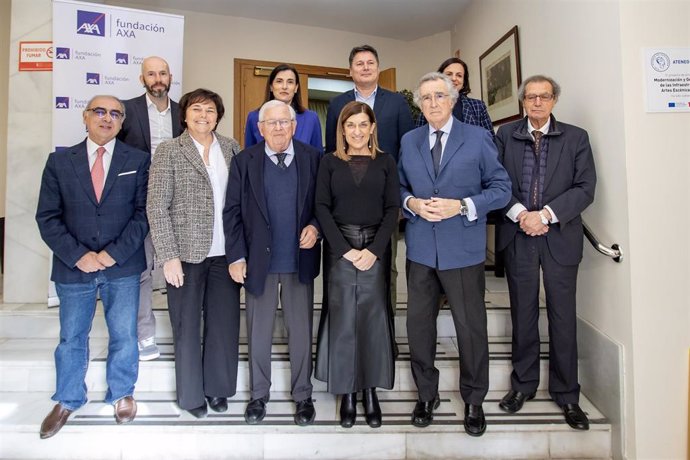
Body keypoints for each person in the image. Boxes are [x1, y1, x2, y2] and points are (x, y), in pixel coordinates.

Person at [398, 73, 511, 437]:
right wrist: (411, 202)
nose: (432, 103)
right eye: (426, 98)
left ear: (453, 100)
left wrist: (462, 205)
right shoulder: (409, 139)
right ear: (420, 104)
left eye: (439, 96)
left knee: (471, 327)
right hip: (419, 250)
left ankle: (474, 399)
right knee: (418, 326)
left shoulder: (478, 138)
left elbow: (501, 188)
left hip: (462, 251)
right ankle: (426, 394)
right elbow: (398, 186)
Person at [36, 95, 149, 438]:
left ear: (121, 122)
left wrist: (113, 253)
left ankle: (122, 393)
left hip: (122, 266)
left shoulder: (139, 160)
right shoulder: (59, 161)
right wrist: (79, 255)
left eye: (115, 113)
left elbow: (143, 214)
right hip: (75, 268)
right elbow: (48, 217)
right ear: (85, 117)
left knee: (124, 335)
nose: (107, 118)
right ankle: (68, 398)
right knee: (72, 337)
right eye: (99, 112)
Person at [495, 75, 596, 431]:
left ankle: (567, 395)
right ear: (522, 101)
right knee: (523, 315)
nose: (537, 102)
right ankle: (522, 387)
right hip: (518, 235)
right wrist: (522, 214)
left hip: (560, 236)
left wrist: (546, 215)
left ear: (554, 100)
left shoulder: (576, 137)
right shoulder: (505, 135)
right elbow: (495, 182)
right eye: (531, 97)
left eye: (544, 96)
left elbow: (585, 187)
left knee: (562, 317)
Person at [224, 100, 321, 427]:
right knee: (259, 332)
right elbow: (232, 212)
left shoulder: (312, 158)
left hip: (299, 260)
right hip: (257, 263)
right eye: (272, 123)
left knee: (300, 331)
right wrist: (236, 256)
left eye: (285, 122)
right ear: (259, 128)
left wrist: (317, 227)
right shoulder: (244, 161)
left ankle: (303, 395)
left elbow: (324, 204)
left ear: (294, 126)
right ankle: (258, 395)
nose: (279, 128)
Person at [146, 88, 241, 419]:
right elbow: (156, 206)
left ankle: (218, 389)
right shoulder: (169, 151)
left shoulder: (231, 148)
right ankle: (191, 396)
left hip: (225, 255)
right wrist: (168, 256)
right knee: (186, 326)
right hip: (184, 257)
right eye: (197, 109)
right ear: (184, 115)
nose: (204, 115)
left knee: (224, 325)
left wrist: (240, 252)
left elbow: (240, 204)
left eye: (211, 110)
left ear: (219, 116)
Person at [314, 101, 399, 428]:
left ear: (372, 127)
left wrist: (374, 250)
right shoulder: (329, 163)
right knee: (344, 319)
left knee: (373, 318)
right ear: (342, 129)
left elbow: (393, 209)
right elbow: (321, 207)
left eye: (364, 124)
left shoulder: (386, 162)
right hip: (340, 249)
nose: (358, 131)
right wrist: (345, 250)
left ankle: (369, 389)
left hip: (376, 248)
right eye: (351, 125)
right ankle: (347, 390)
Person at [325, 44, 414, 348]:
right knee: (344, 273)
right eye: (359, 63)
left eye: (370, 62)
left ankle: (383, 336)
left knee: (384, 269)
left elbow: (407, 150)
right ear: (350, 70)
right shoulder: (337, 104)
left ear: (378, 68)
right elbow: (331, 151)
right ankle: (346, 340)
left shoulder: (398, 103)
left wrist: (398, 195)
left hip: (383, 201)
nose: (365, 67)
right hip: (346, 206)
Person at [117, 55, 183, 361]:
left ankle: (184, 328)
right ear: (142, 79)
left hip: (178, 200)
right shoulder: (126, 110)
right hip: (138, 201)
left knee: (181, 267)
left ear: (170, 77)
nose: (158, 79)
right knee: (142, 269)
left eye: (163, 73)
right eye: (151, 74)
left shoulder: (184, 113)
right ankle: (144, 334)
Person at [244, 63, 323, 153]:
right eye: (279, 81)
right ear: (271, 87)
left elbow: (318, 157)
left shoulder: (311, 118)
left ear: (296, 88)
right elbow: (249, 157)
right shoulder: (254, 117)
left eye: (290, 82)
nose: (284, 87)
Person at [417, 57, 494, 136]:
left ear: (464, 82)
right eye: (449, 74)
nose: (454, 78)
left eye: (459, 75)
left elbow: (490, 139)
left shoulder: (478, 106)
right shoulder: (428, 105)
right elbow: (419, 139)